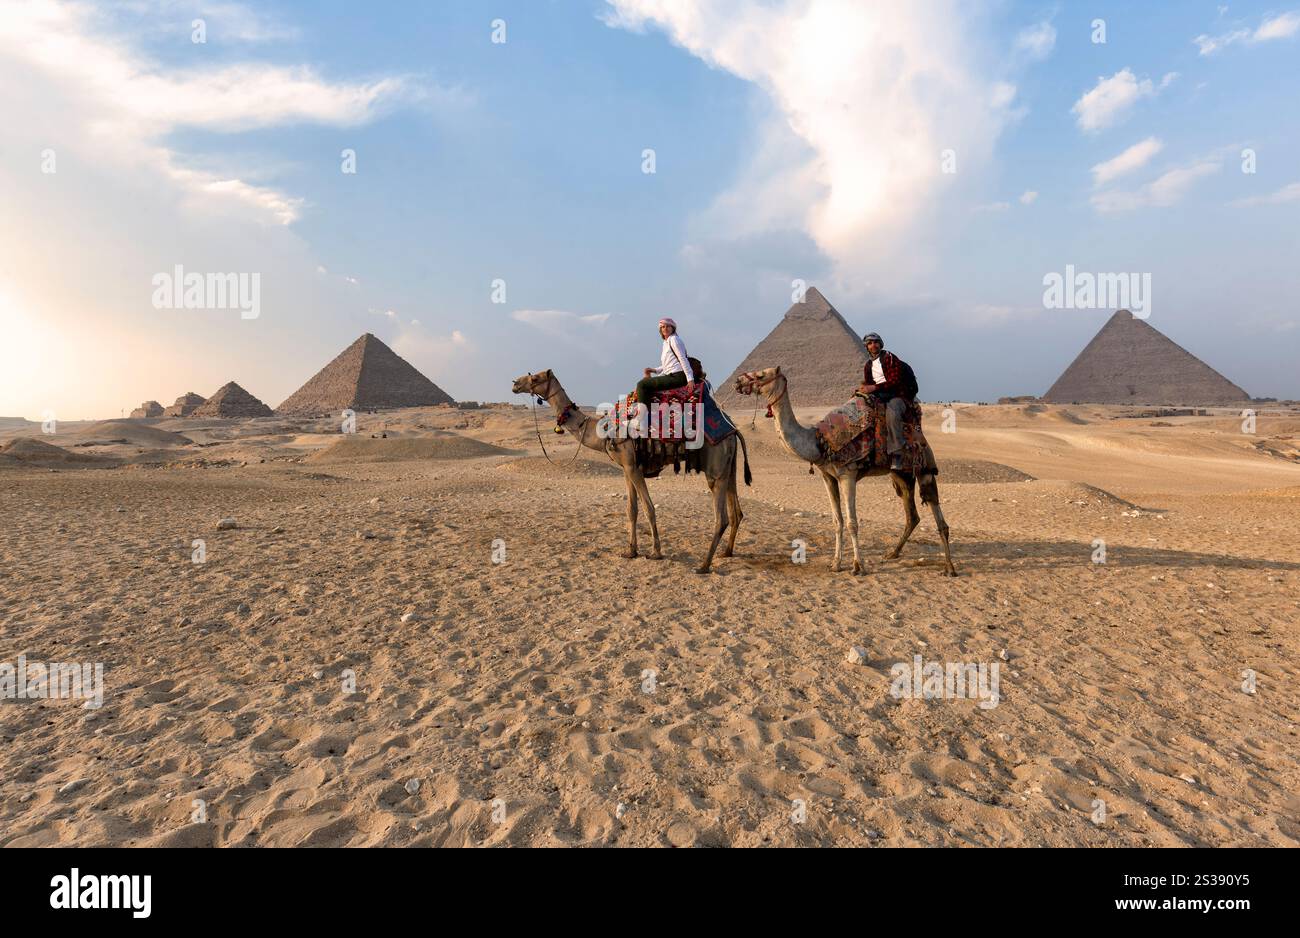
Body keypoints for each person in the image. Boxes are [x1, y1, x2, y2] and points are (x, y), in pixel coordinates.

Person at [858, 332, 918, 471]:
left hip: (898, 395)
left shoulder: (889, 358)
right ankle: (864, 451)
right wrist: (864, 389)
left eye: (876, 342)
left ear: (880, 344)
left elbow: (895, 381)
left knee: (892, 414)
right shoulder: (868, 365)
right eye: (870, 343)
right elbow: (869, 383)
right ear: (866, 346)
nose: (873, 345)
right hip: (880, 395)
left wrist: (873, 387)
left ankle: (897, 453)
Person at [635, 318, 695, 404]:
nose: (665, 328)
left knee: (642, 384)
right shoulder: (666, 342)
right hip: (671, 374)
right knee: (646, 385)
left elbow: (682, 359)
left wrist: (690, 379)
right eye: (663, 327)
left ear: (672, 328)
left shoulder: (674, 339)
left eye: (668, 326)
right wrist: (654, 370)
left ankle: (642, 415)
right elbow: (669, 364)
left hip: (677, 376)